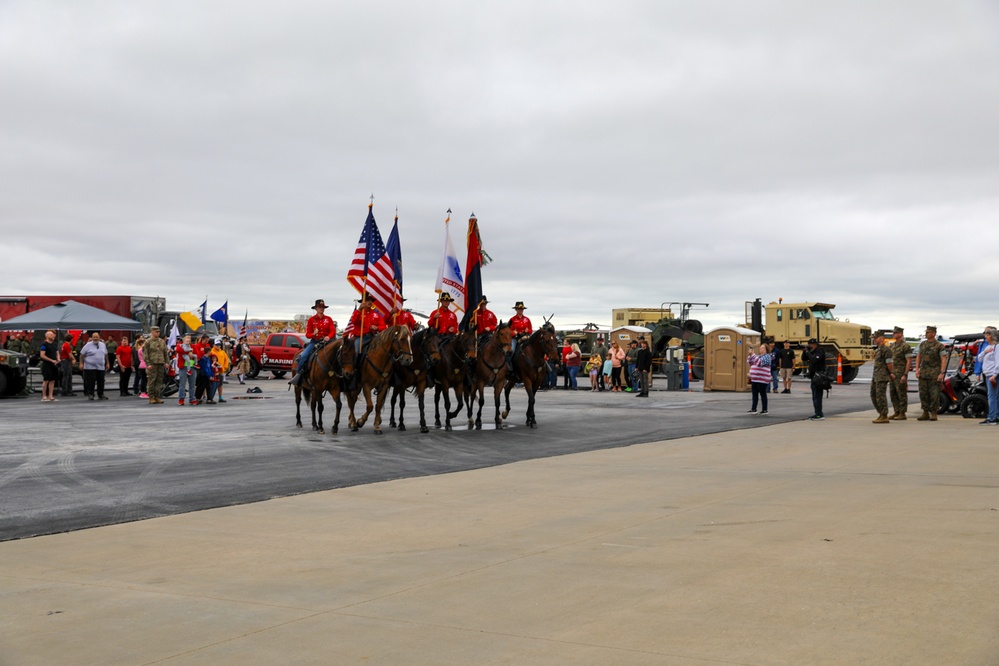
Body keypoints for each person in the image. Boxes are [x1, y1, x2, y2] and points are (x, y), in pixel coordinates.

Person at [290, 299, 335, 386]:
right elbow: (307, 335)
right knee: (303, 356)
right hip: (315, 342)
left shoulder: (329, 319)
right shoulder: (311, 320)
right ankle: (299, 376)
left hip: (327, 342)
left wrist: (328, 337)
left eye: (323, 307)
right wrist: (313, 334)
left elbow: (332, 331)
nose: (321, 309)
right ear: (316, 309)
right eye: (319, 307)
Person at [914, 325, 946, 421]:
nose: (926, 334)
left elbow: (943, 359)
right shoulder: (923, 344)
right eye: (926, 332)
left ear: (934, 333)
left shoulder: (939, 346)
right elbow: (918, 357)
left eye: (928, 332)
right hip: (923, 372)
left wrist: (942, 372)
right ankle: (925, 412)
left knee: (934, 394)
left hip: (934, 373)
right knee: (923, 393)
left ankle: (934, 412)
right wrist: (917, 369)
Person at [888, 326, 912, 420]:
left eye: (895, 333)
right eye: (893, 333)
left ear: (900, 334)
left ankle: (902, 413)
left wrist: (905, 374)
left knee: (901, 393)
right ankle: (896, 411)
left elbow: (909, 361)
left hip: (900, 373)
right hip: (893, 374)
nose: (893, 334)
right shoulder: (892, 346)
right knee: (893, 393)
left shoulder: (905, 346)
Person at [976, 326, 998, 425]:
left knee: (992, 396)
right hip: (988, 374)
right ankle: (995, 415)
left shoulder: (996, 347)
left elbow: (998, 362)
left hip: (993, 375)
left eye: (988, 335)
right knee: (994, 396)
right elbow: (979, 358)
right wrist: (985, 352)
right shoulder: (988, 347)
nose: (986, 336)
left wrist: (995, 374)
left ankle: (992, 417)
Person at [79, 332, 110, 400]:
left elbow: (106, 354)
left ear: (99, 337)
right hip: (90, 367)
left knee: (101, 381)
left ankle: (101, 394)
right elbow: (82, 354)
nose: (95, 338)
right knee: (91, 381)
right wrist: (81, 363)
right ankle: (91, 394)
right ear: (92, 338)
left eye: (96, 337)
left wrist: (107, 363)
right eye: (94, 337)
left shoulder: (103, 345)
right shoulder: (88, 345)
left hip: (100, 367)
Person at [870, 331, 892, 423]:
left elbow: (890, 363)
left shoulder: (886, 350)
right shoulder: (878, 350)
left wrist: (891, 373)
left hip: (882, 376)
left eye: (876, 338)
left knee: (880, 396)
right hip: (876, 376)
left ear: (881, 338)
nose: (874, 340)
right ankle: (881, 413)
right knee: (873, 395)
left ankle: (884, 415)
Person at [144, 325, 168, 404]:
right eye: (156, 332)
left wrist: (166, 362)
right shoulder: (148, 342)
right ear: (152, 332)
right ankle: (151, 397)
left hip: (160, 363)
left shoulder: (161, 341)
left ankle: (157, 396)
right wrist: (148, 364)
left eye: (158, 332)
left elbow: (165, 353)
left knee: (159, 381)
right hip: (152, 364)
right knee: (151, 381)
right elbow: (145, 354)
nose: (158, 333)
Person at [804, 338, 826, 421]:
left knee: (817, 396)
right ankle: (817, 413)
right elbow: (804, 358)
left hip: (819, 376)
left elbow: (814, 360)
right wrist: (805, 351)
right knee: (814, 396)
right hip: (813, 376)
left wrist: (808, 352)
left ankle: (819, 414)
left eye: (812, 344)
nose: (811, 346)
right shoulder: (812, 351)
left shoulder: (820, 351)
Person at [747, 343, 772, 414]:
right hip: (755, 379)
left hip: (762, 379)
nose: (761, 349)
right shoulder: (758, 356)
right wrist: (750, 355)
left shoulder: (767, 356)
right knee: (754, 394)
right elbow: (750, 362)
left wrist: (753, 355)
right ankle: (753, 408)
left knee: (762, 394)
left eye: (763, 348)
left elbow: (759, 363)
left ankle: (764, 409)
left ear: (766, 350)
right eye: (760, 348)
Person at [176, 334, 199, 405]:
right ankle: (181, 399)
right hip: (183, 367)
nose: (189, 340)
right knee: (182, 384)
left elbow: (198, 354)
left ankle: (192, 399)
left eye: (190, 338)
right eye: (187, 338)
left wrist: (192, 354)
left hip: (192, 367)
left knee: (192, 384)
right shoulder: (180, 345)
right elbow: (178, 350)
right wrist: (188, 352)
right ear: (183, 340)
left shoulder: (193, 346)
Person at [38, 329, 60, 402]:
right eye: (51, 335)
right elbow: (42, 355)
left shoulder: (54, 344)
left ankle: (50, 396)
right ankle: (44, 395)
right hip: (47, 364)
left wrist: (58, 359)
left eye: (53, 335)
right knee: (46, 380)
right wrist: (51, 360)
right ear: (47, 336)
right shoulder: (44, 345)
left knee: (52, 381)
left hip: (54, 365)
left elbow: (57, 352)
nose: (53, 336)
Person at [211, 339, 229, 403]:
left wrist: (224, 367)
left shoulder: (222, 352)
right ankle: (210, 397)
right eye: (217, 345)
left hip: (221, 371)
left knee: (220, 385)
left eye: (219, 345)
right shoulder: (212, 352)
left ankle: (220, 397)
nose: (218, 346)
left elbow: (226, 359)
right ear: (213, 345)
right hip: (214, 371)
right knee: (213, 385)